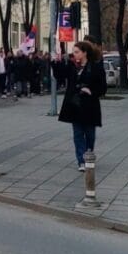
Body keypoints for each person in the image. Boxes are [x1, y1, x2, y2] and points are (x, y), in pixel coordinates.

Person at [51, 41, 106, 171]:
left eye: (77, 52)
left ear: (84, 52)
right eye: (74, 52)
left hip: (89, 105)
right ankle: (81, 161)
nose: (74, 55)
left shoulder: (95, 67)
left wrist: (91, 91)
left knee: (90, 134)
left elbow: (102, 87)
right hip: (75, 105)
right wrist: (55, 63)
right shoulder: (72, 66)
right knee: (78, 134)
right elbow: (60, 76)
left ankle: (88, 155)